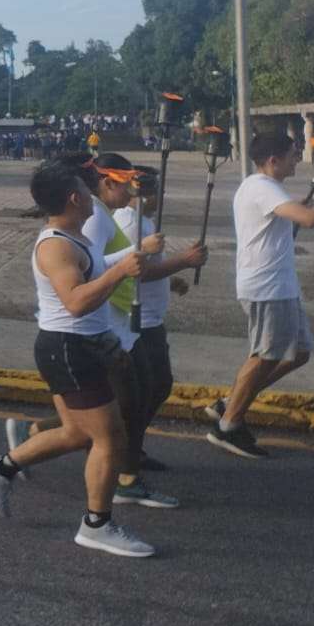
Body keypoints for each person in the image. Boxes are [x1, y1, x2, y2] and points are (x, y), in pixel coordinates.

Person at [0, 160, 153, 558]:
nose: (92, 195)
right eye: (85, 191)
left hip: (76, 347)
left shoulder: (75, 238)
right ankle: (96, 524)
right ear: (74, 198)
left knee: (76, 433)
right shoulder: (55, 245)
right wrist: (121, 270)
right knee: (110, 436)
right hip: (68, 348)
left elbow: (90, 274)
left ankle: (0, 468)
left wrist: (124, 264)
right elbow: (75, 302)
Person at [206, 131, 314, 458]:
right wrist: (303, 210)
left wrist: (294, 208)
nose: (298, 158)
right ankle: (227, 426)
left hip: (281, 285)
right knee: (265, 354)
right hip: (267, 286)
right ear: (273, 160)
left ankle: (233, 399)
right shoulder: (260, 187)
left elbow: (291, 219)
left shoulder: (270, 188)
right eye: (294, 154)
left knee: (301, 351)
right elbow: (307, 220)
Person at [112, 166, 207, 472]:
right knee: (147, 390)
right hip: (135, 319)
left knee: (154, 388)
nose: (159, 196)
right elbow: (138, 269)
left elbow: (152, 270)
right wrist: (184, 261)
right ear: (139, 191)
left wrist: (171, 280)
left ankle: (131, 448)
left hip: (150, 316)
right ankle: (124, 454)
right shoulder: (129, 223)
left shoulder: (144, 221)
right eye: (155, 191)